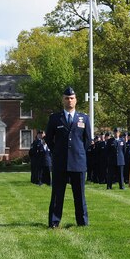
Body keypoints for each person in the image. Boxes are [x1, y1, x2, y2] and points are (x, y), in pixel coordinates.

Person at [45, 86, 91, 228]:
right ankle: (54, 221)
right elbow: (49, 139)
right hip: (60, 163)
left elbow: (87, 140)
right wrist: (57, 152)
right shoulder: (54, 118)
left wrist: (79, 153)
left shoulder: (84, 118)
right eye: (67, 98)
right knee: (57, 194)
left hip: (78, 162)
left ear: (76, 100)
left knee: (79, 195)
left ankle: (82, 222)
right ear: (62, 100)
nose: (69, 100)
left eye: (72, 98)